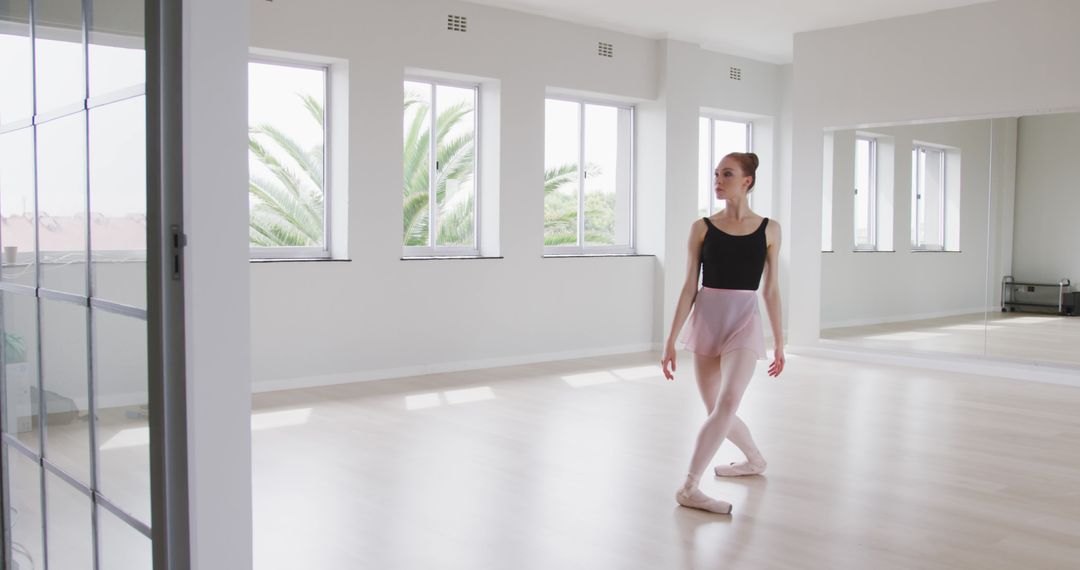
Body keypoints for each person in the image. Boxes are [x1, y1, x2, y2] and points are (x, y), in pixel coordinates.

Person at [661, 152, 785, 515]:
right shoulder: (702, 227)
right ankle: (755, 460)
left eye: (727, 174)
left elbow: (771, 290)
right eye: (716, 174)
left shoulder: (770, 229)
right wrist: (670, 340)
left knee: (728, 403)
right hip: (707, 319)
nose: (718, 179)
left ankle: (689, 486)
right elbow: (689, 288)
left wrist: (779, 342)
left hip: (744, 320)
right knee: (716, 408)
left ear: (747, 181)